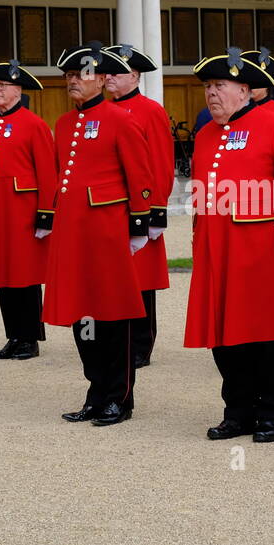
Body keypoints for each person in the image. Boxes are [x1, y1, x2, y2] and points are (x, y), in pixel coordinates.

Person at [185, 48, 274, 443]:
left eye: (219, 85)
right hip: (217, 248)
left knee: (268, 335)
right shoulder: (206, 133)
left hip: (261, 248)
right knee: (224, 336)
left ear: (244, 89)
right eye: (207, 86)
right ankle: (237, 411)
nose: (211, 93)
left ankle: (271, 412)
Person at [42, 42, 153, 427]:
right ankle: (95, 391)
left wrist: (139, 224)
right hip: (74, 235)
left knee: (113, 315)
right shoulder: (64, 124)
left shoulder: (121, 119)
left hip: (107, 234)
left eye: (81, 75)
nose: (73, 81)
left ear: (103, 79)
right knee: (82, 316)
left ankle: (118, 398)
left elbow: (141, 176)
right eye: (69, 76)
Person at [0, 60, 56, 362]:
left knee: (25, 275)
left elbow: (47, 173)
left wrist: (46, 214)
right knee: (2, 275)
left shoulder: (34, 124)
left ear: (17, 90)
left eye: (3, 86)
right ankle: (13, 335)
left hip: (24, 212)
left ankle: (30, 338)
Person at [105, 43, 173, 368]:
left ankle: (140, 346)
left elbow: (160, 164)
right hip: (110, 209)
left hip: (140, 210)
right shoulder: (103, 111)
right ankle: (117, 341)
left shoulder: (150, 110)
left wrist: (155, 214)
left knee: (141, 280)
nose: (108, 77)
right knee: (115, 278)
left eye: (116, 72)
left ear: (134, 75)